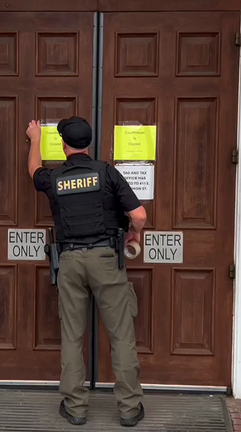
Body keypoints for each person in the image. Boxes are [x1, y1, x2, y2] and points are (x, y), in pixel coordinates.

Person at [26, 117, 148, 427]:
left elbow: (34, 172)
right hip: (106, 257)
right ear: (88, 145)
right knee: (121, 334)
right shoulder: (106, 172)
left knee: (72, 335)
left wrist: (35, 139)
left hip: (69, 260)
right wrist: (134, 234)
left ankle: (76, 408)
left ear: (64, 146)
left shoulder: (54, 178)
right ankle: (130, 409)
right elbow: (139, 214)